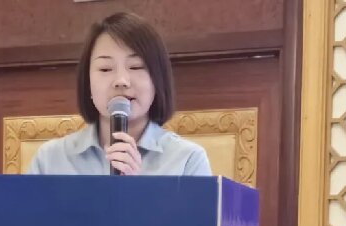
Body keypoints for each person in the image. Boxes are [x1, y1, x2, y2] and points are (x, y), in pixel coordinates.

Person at [27, 12, 212, 176]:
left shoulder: (187, 161)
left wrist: (133, 190)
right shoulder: (49, 160)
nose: (121, 80)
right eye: (105, 69)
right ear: (87, 82)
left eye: (136, 67)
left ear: (158, 80)